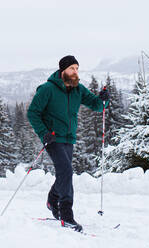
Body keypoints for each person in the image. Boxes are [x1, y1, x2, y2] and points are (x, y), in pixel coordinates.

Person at [27, 55, 109, 232]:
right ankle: (66, 216)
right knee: (66, 171)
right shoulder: (48, 89)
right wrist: (44, 133)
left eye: (77, 69)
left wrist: (104, 99)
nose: (75, 72)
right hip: (53, 138)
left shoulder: (78, 89)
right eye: (72, 68)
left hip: (69, 138)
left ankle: (52, 199)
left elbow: (96, 105)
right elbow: (32, 113)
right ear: (63, 70)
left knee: (64, 173)